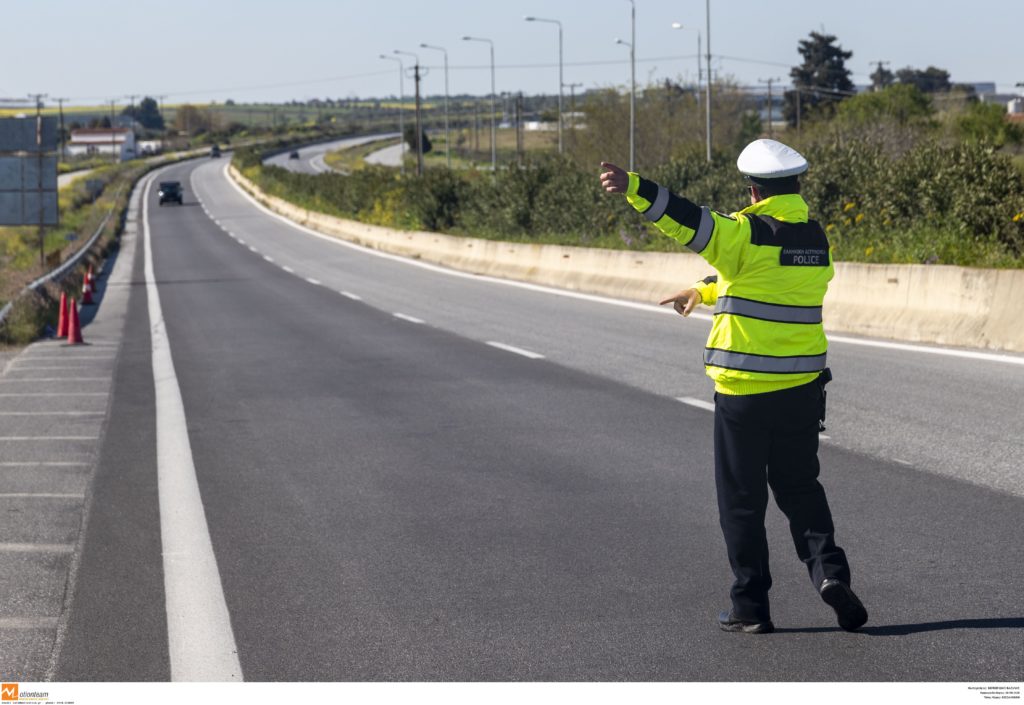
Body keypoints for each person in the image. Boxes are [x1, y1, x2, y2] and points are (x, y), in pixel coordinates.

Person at [599, 139, 867, 634]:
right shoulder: (815, 237)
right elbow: (760, 277)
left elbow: (685, 217)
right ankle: (830, 573)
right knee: (801, 489)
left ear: (753, 191)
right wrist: (700, 290)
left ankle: (751, 606)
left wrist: (632, 186)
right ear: (797, 187)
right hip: (803, 389)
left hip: (745, 393)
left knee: (742, 500)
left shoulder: (743, 233)